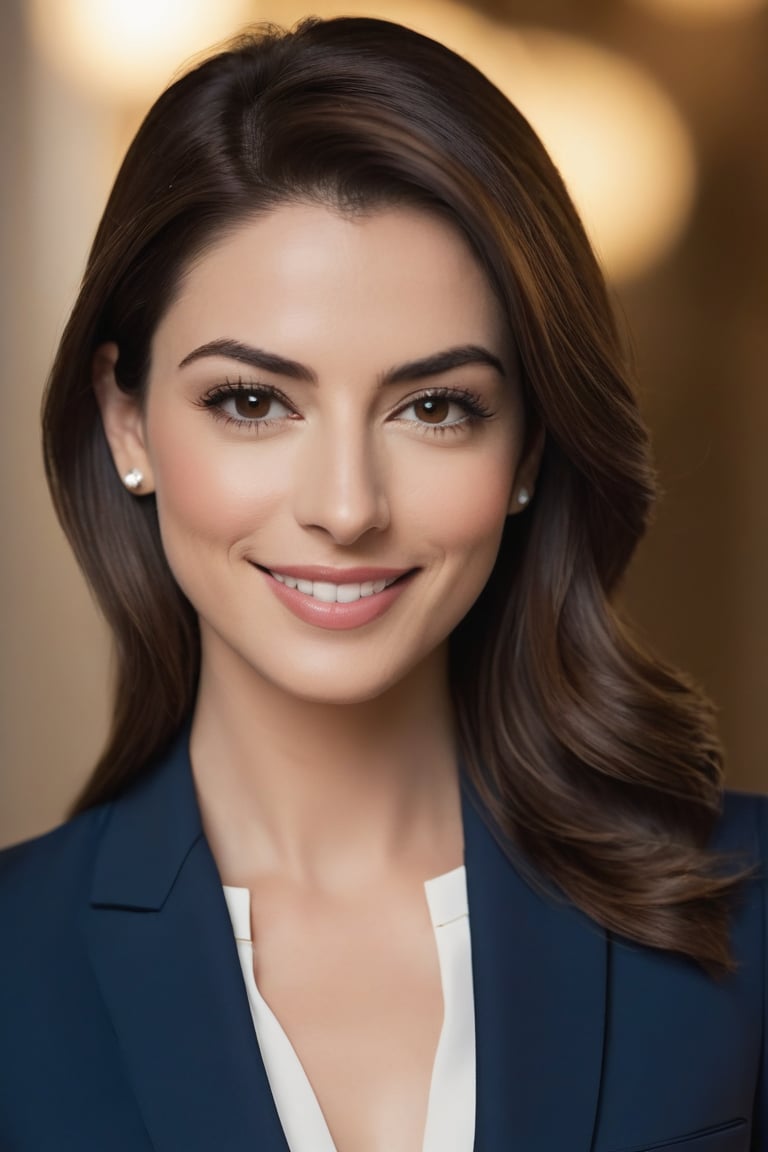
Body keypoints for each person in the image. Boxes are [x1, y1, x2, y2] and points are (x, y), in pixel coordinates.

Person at [0, 15, 764, 1152]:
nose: (348, 507)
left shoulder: (745, 917)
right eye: (253, 402)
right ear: (128, 420)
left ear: (531, 451)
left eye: (435, 407)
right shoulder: (17, 964)